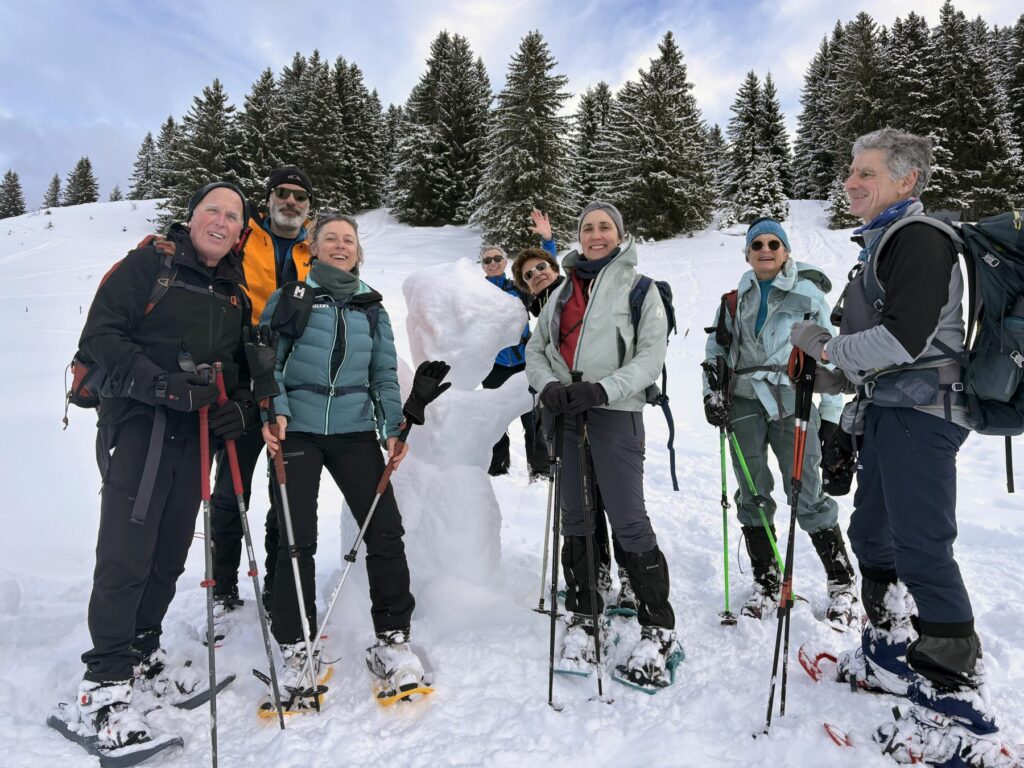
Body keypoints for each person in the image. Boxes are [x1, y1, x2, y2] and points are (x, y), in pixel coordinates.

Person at [790, 128, 1004, 757]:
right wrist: (830, 369)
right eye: (851, 171)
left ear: (907, 180)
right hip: (889, 410)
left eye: (867, 172)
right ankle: (889, 653)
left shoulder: (919, 239)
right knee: (873, 536)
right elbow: (879, 352)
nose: (851, 181)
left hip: (922, 417)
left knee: (923, 549)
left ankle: (955, 703)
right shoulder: (883, 244)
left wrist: (824, 347)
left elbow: (906, 341)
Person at [57, 182, 254, 752]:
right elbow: (100, 338)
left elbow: (236, 372)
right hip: (141, 427)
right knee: (127, 554)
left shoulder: (233, 292)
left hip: (195, 439)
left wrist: (236, 409)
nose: (220, 221)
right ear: (190, 218)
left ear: (241, 232)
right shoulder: (149, 266)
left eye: (232, 216)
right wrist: (163, 387)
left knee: (168, 555)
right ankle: (103, 684)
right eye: (211, 210)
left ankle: (142, 655)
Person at [260, 212, 426, 695]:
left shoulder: (371, 307)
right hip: (298, 431)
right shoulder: (291, 297)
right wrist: (276, 411)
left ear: (357, 251)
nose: (338, 245)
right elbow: (267, 362)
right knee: (295, 537)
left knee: (385, 530)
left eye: (347, 240)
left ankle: (393, 637)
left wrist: (393, 427)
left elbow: (383, 375)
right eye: (329, 238)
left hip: (355, 431)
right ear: (313, 247)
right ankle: (295, 644)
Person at [526, 201, 679, 688]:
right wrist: (547, 386)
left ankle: (658, 625)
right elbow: (536, 349)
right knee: (576, 514)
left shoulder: (640, 289)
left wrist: (603, 389)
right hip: (565, 414)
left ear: (620, 234)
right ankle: (584, 612)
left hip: (616, 414)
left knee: (627, 517)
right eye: (588, 227)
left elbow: (650, 357)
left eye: (605, 227)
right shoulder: (561, 290)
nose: (595, 235)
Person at [702, 218, 858, 629]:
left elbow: (830, 355)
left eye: (774, 243)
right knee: (752, 491)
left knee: (807, 491)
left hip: (795, 404)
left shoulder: (808, 295)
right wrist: (711, 392)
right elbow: (715, 348)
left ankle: (842, 583)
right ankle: (767, 582)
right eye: (757, 244)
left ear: (786, 251)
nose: (765, 250)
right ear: (748, 253)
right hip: (744, 403)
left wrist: (830, 417)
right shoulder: (734, 299)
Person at [208, 166, 314, 625]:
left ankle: (275, 583)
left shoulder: (316, 249)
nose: (290, 203)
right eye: (282, 194)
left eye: (299, 197)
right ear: (268, 199)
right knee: (232, 487)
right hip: (239, 381)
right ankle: (223, 584)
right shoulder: (241, 237)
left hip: (291, 387)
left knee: (284, 490)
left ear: (308, 207)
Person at [513, 244, 637, 614]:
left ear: (554, 268)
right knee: (582, 499)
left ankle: (628, 578)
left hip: (605, 408)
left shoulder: (584, 294)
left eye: (541, 267)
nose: (537, 275)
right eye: (529, 276)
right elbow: (534, 358)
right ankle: (595, 573)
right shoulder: (540, 320)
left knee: (613, 496)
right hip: (562, 414)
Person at [479, 243, 548, 479]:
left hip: (523, 364)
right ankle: (498, 468)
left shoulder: (519, 287)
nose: (493, 263)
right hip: (493, 367)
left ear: (505, 261)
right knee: (496, 420)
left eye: (497, 258)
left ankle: (539, 469)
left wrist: (547, 241)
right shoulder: (476, 292)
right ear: (482, 266)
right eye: (487, 260)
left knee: (533, 418)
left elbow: (547, 282)